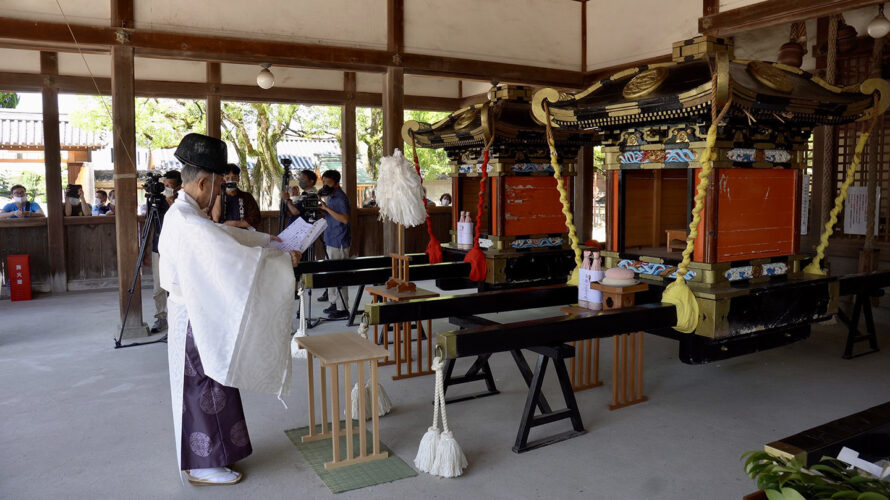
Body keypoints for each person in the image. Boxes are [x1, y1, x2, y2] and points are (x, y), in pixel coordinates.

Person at [158, 133, 301, 486]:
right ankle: (204, 464)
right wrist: (282, 262)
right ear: (204, 182)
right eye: (219, 185)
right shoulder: (190, 223)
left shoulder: (184, 213)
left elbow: (224, 237)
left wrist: (267, 241)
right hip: (194, 317)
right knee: (205, 387)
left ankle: (212, 456)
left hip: (189, 313)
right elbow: (227, 255)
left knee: (212, 384)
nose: (220, 192)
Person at [148, 170, 182, 334]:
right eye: (165, 185)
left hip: (178, 246)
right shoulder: (156, 199)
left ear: (179, 186)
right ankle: (161, 316)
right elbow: (151, 221)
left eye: (171, 186)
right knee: (158, 285)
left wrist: (171, 202)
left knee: (177, 283)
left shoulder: (183, 201)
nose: (167, 188)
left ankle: (178, 317)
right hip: (158, 245)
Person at [318, 169, 351, 319]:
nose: (325, 185)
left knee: (339, 275)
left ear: (336, 184)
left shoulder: (340, 198)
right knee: (331, 273)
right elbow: (332, 215)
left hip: (339, 241)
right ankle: (333, 303)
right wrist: (324, 210)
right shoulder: (331, 196)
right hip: (330, 238)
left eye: (328, 182)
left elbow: (344, 219)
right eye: (324, 182)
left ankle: (342, 307)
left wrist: (326, 208)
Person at [211, 164, 261, 231]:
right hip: (223, 234)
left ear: (238, 179)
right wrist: (220, 192)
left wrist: (234, 223)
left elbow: (255, 218)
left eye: (234, 177)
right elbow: (215, 219)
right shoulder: (216, 197)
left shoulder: (247, 197)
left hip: (243, 234)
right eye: (227, 178)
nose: (231, 180)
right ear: (222, 179)